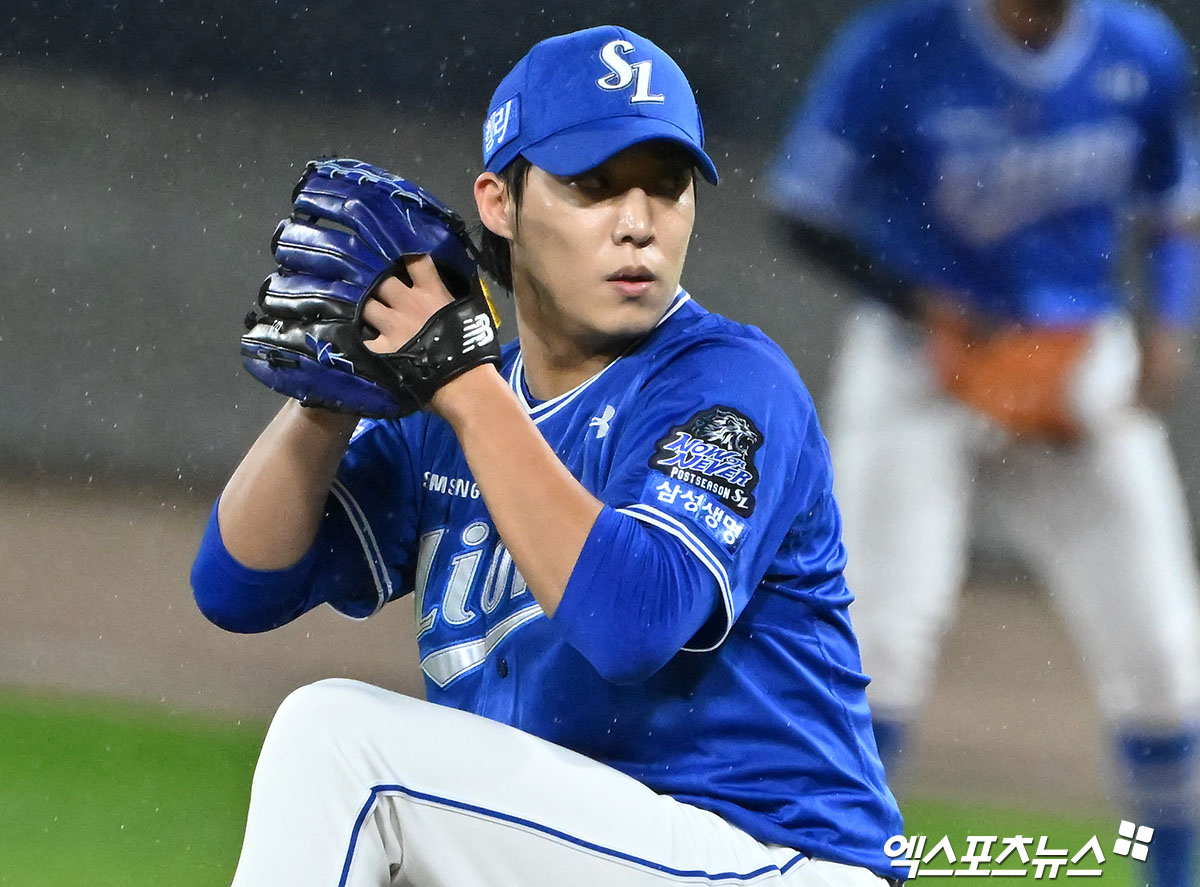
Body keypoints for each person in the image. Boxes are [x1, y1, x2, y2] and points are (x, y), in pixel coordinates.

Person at [191, 25, 903, 887]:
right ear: (501, 202)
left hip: (771, 856)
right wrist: (327, 405)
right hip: (588, 854)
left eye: (666, 186)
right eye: (593, 187)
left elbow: (632, 621)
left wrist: (461, 381)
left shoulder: (725, 383)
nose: (637, 224)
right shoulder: (465, 404)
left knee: (340, 741)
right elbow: (238, 586)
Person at [764, 1, 1200, 885]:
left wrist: (1172, 324)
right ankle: (848, 870)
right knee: (874, 652)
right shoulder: (902, 41)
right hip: (918, 363)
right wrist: (927, 306)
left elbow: (1174, 206)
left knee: (1167, 661)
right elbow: (801, 207)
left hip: (1078, 362)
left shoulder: (1138, 49)